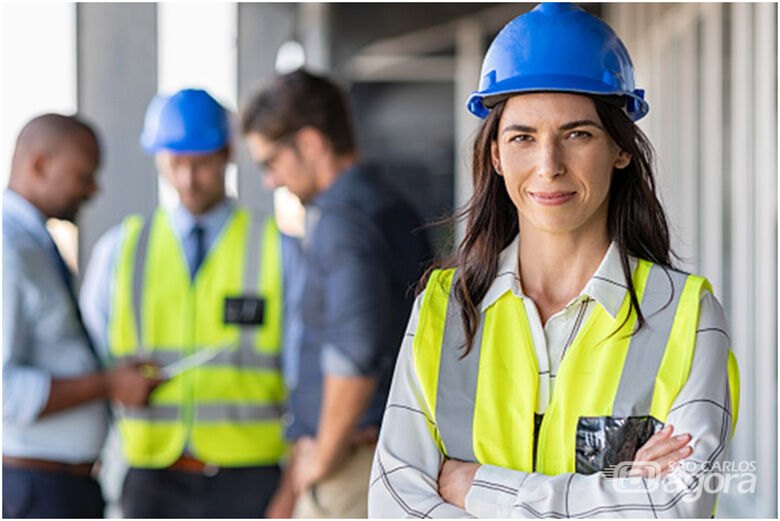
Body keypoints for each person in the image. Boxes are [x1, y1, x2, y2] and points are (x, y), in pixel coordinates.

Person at [368, 3, 740, 518]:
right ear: (496, 155)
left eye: (578, 134)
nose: (549, 166)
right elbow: (393, 505)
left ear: (621, 148)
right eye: (523, 137)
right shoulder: (443, 309)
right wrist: (612, 495)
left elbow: (676, 508)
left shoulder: (688, 318)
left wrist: (472, 486)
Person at [80, 89, 288, 517]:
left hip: (250, 476)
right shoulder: (120, 251)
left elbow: (307, 373)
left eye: (202, 164)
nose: (189, 179)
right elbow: (92, 366)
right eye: (175, 164)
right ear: (158, 158)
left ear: (227, 155)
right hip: (152, 475)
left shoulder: (276, 249)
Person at [240, 69, 433, 518]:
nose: (270, 180)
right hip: (383, 453)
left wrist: (321, 458)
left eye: (270, 162)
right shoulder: (387, 203)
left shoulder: (343, 220)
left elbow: (355, 352)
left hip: (352, 465)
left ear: (309, 143)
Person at [3, 114, 162, 518]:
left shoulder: (34, 244)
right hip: (36, 491)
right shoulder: (7, 249)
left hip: (65, 486)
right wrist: (106, 385)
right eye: (84, 175)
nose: (94, 189)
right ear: (39, 166)